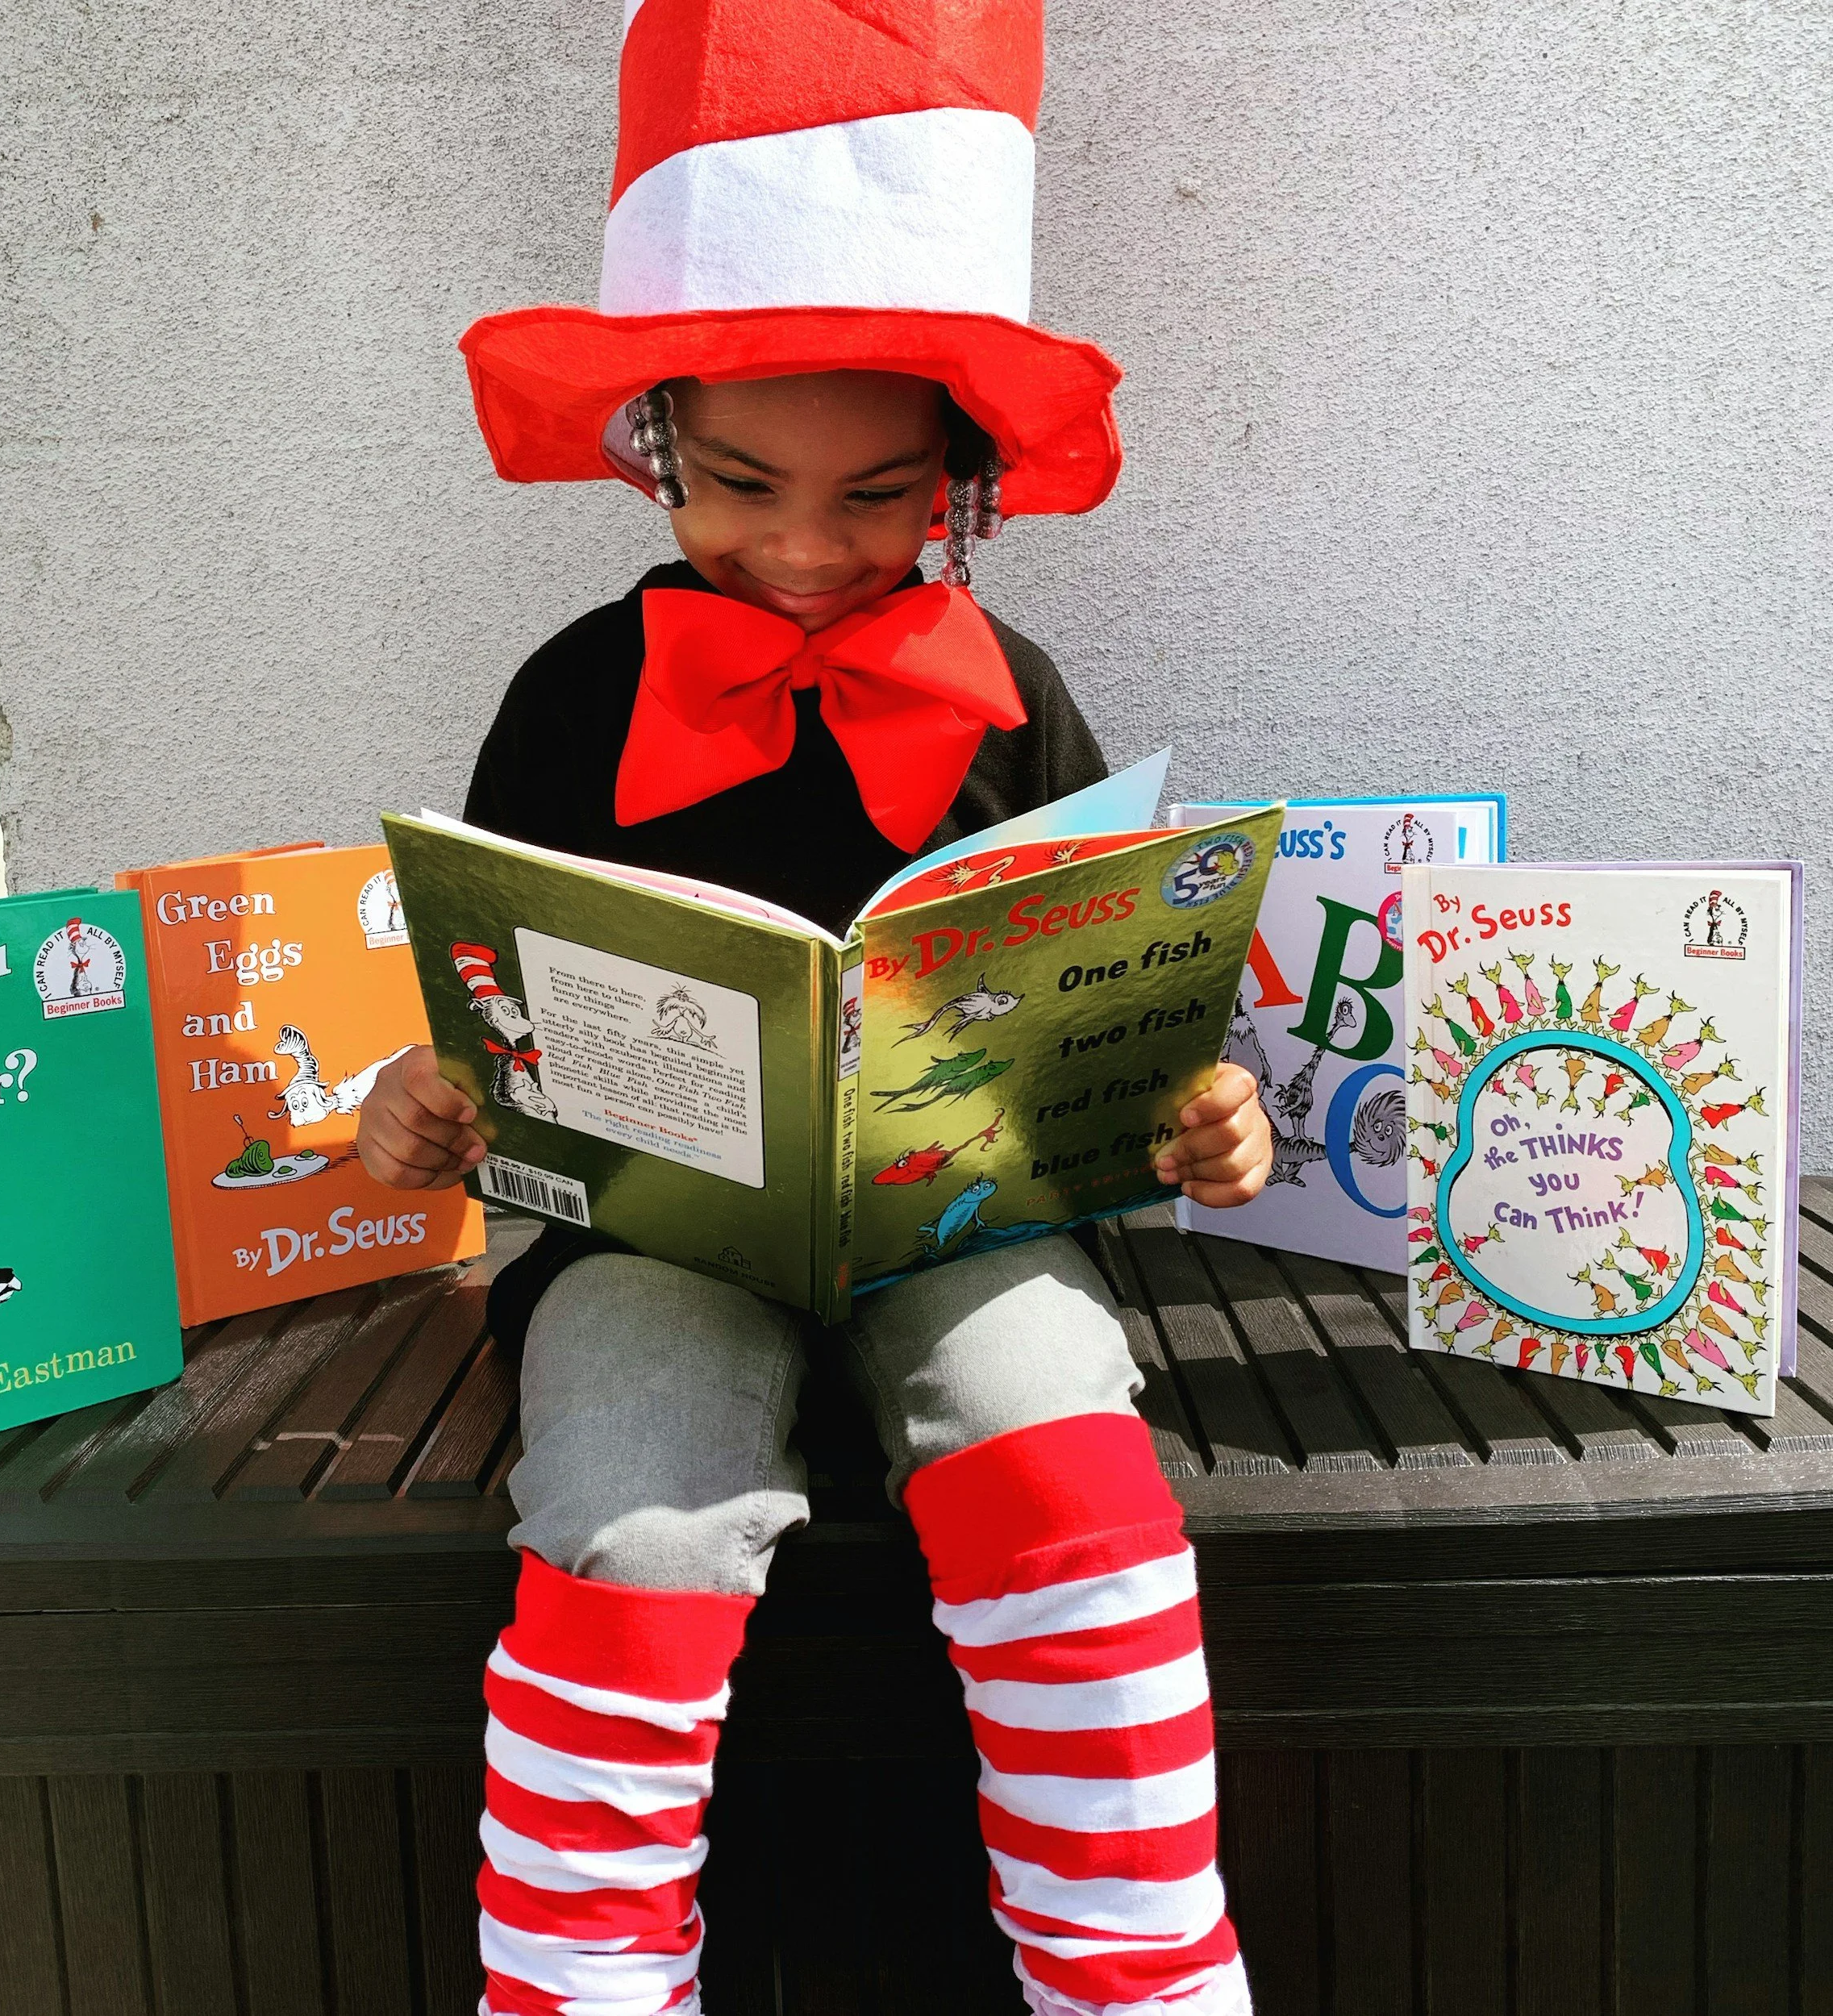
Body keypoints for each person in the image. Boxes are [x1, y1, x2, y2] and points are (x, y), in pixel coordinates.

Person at [359, 8, 1273, 2012]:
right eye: (738, 481)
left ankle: (1135, 1968)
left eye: (876, 496)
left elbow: (1121, 986)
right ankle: (578, 1980)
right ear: (653, 443)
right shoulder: (571, 693)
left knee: (1069, 1465)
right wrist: (416, 1098)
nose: (798, 545)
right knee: (626, 1524)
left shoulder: (1010, 690)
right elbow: (478, 992)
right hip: (649, 1233)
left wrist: (1205, 1106)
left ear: (961, 484)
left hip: (965, 1219)